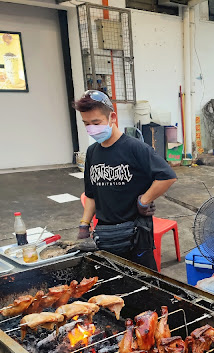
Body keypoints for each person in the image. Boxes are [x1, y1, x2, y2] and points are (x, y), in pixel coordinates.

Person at [74, 90, 177, 270]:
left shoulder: (135, 148)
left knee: (145, 285)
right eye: (86, 124)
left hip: (136, 235)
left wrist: (144, 200)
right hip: (106, 235)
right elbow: (91, 194)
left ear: (112, 117)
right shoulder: (92, 152)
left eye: (96, 122)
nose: (92, 128)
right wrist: (84, 225)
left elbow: (167, 176)